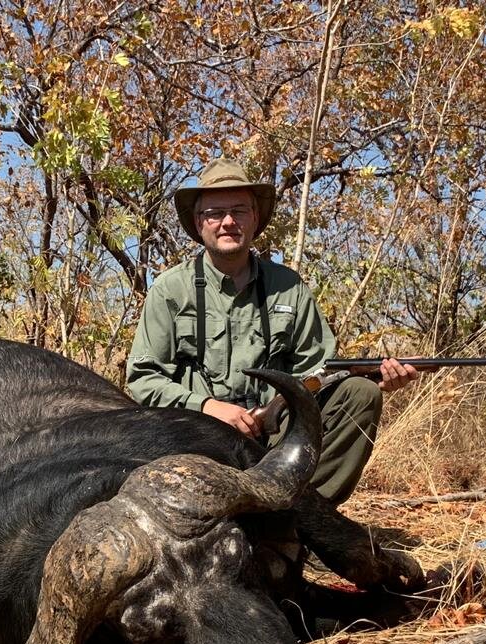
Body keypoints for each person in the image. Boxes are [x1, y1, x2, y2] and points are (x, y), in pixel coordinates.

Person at [126, 157, 420, 504]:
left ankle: (304, 521)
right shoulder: (170, 290)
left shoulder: (288, 287)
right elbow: (143, 378)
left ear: (255, 219)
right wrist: (208, 408)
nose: (228, 222)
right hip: (195, 435)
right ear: (198, 222)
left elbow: (319, 373)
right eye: (215, 213)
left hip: (273, 432)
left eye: (239, 210)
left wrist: (375, 379)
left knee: (359, 393)